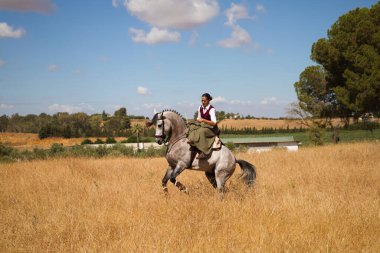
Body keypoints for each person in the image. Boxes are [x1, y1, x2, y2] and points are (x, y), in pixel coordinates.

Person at [187, 93, 219, 159]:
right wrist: (194, 121)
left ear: (208, 101)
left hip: (212, 128)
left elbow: (214, 123)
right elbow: (199, 118)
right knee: (192, 127)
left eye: (204, 101)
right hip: (203, 125)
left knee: (201, 131)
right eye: (202, 100)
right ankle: (192, 141)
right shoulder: (200, 108)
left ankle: (205, 152)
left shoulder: (212, 109)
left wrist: (204, 120)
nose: (203, 102)